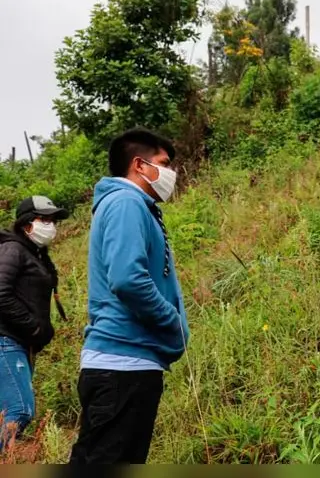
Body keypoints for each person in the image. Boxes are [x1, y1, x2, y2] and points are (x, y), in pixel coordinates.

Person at [69, 127, 189, 465]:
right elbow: (128, 279)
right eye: (164, 163)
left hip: (130, 365)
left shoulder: (134, 205)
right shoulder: (126, 202)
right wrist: (172, 322)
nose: (171, 173)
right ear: (139, 164)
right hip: (123, 366)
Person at [0, 196, 69, 449]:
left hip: (18, 343)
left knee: (7, 413)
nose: (51, 225)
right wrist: (34, 326)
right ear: (26, 224)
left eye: (53, 220)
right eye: (44, 219)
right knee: (19, 411)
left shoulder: (34, 254)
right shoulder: (12, 249)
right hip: (6, 341)